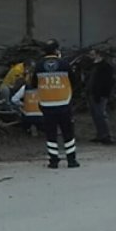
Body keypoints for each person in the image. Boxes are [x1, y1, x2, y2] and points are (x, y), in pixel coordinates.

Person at [31, 39, 79, 169]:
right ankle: (71, 160)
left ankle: (53, 161)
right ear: (57, 50)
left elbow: (33, 84)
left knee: (51, 134)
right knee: (68, 132)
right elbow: (74, 81)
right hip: (64, 103)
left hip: (47, 105)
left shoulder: (39, 66)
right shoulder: (64, 64)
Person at [87, 49, 115, 144]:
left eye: (92, 54)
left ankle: (106, 135)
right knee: (95, 115)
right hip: (92, 93)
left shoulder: (105, 66)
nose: (90, 56)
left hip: (101, 94)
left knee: (101, 114)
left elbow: (107, 82)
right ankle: (100, 134)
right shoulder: (93, 66)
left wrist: (102, 93)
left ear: (98, 55)